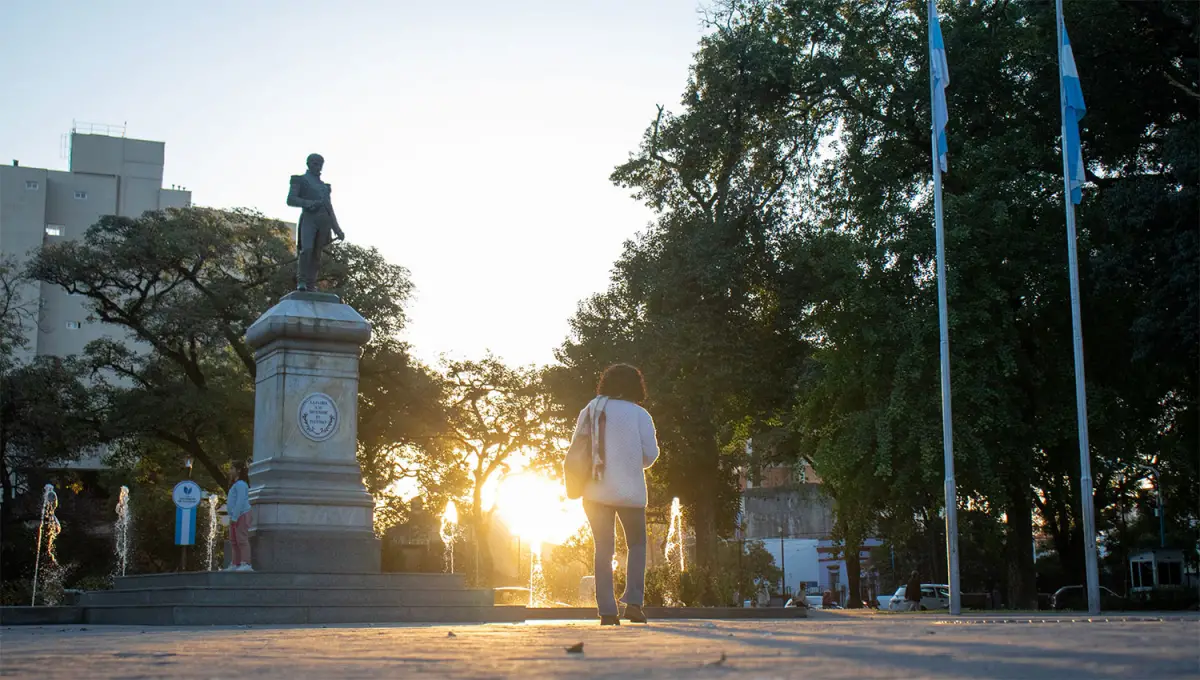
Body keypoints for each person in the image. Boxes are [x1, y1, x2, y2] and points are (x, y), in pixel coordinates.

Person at [571, 364, 659, 626]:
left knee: (603, 547)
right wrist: (630, 461)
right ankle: (634, 604)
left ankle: (607, 611)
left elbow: (577, 447)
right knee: (637, 545)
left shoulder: (591, 409)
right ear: (636, 386)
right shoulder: (640, 415)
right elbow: (650, 455)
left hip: (595, 490)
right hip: (631, 492)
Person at [287, 153, 345, 291]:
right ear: (308, 164)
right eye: (314, 163)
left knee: (317, 255)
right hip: (309, 218)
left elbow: (329, 208)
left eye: (320, 164)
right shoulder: (300, 180)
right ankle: (301, 280)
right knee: (306, 249)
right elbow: (291, 199)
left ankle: (311, 283)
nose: (317, 166)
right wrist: (309, 203)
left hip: (324, 222)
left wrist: (337, 229)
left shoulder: (324, 187)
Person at [226, 461, 253, 572]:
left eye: (232, 468)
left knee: (241, 539)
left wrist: (235, 517)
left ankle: (246, 563)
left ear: (238, 470)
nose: (230, 471)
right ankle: (235, 563)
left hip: (241, 514)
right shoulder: (235, 485)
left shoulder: (241, 484)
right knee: (234, 540)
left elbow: (240, 501)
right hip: (235, 516)